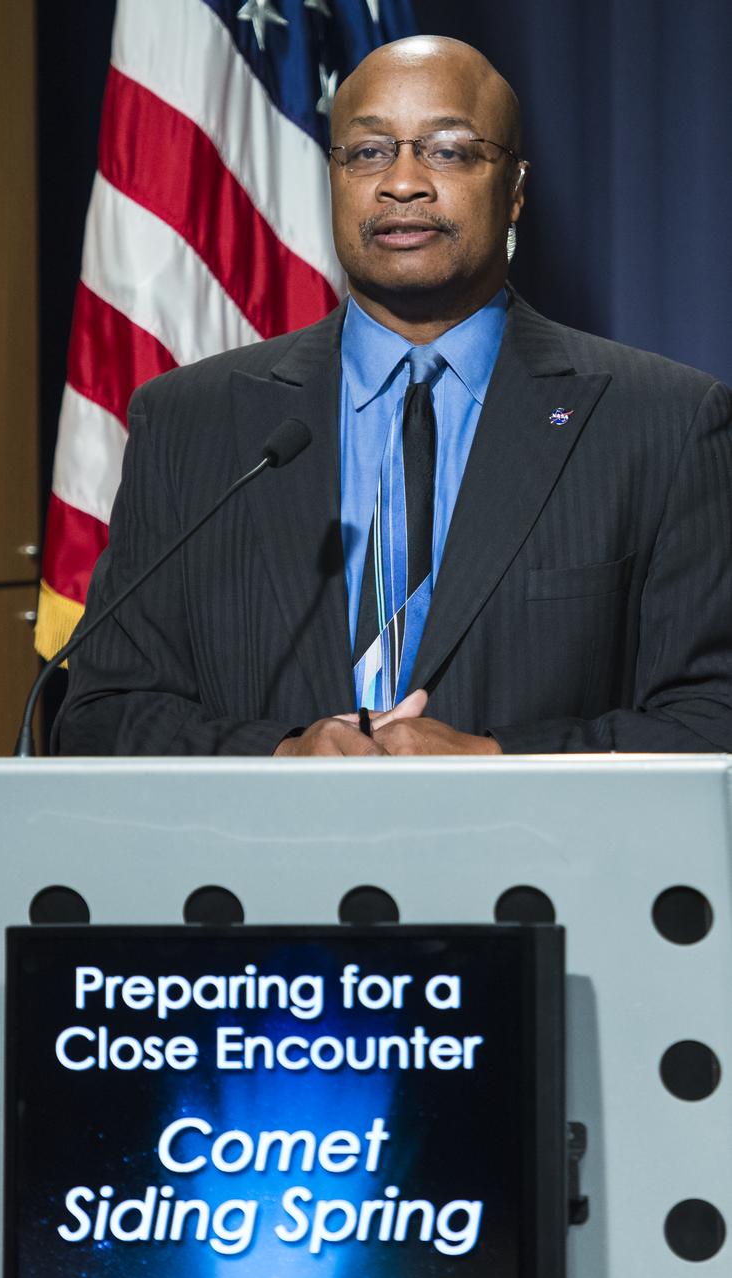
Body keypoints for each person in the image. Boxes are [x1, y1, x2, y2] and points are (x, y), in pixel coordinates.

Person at [52, 36, 732, 758]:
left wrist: (493, 758)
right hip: (262, 860)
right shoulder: (190, 420)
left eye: (448, 151)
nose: (401, 183)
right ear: (335, 177)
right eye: (368, 152)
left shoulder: (661, 422)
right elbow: (101, 715)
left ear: (517, 189)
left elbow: (711, 714)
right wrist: (279, 755)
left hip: (531, 861)